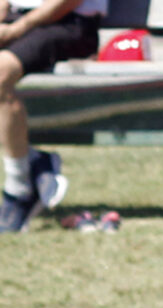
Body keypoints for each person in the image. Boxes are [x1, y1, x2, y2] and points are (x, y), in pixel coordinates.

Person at [0, 0, 107, 233]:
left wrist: (16, 29)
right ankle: (34, 162)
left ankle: (20, 188)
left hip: (67, 23)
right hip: (21, 21)